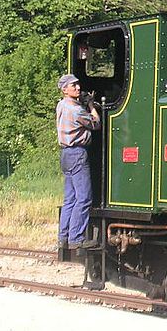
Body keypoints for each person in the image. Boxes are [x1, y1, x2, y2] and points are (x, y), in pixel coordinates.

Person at [56, 74, 100, 249]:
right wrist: (91, 105)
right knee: (84, 198)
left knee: (70, 199)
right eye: (73, 86)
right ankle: (76, 238)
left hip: (66, 154)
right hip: (77, 154)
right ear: (64, 89)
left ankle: (63, 237)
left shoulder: (61, 105)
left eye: (77, 84)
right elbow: (96, 123)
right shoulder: (77, 110)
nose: (78, 88)